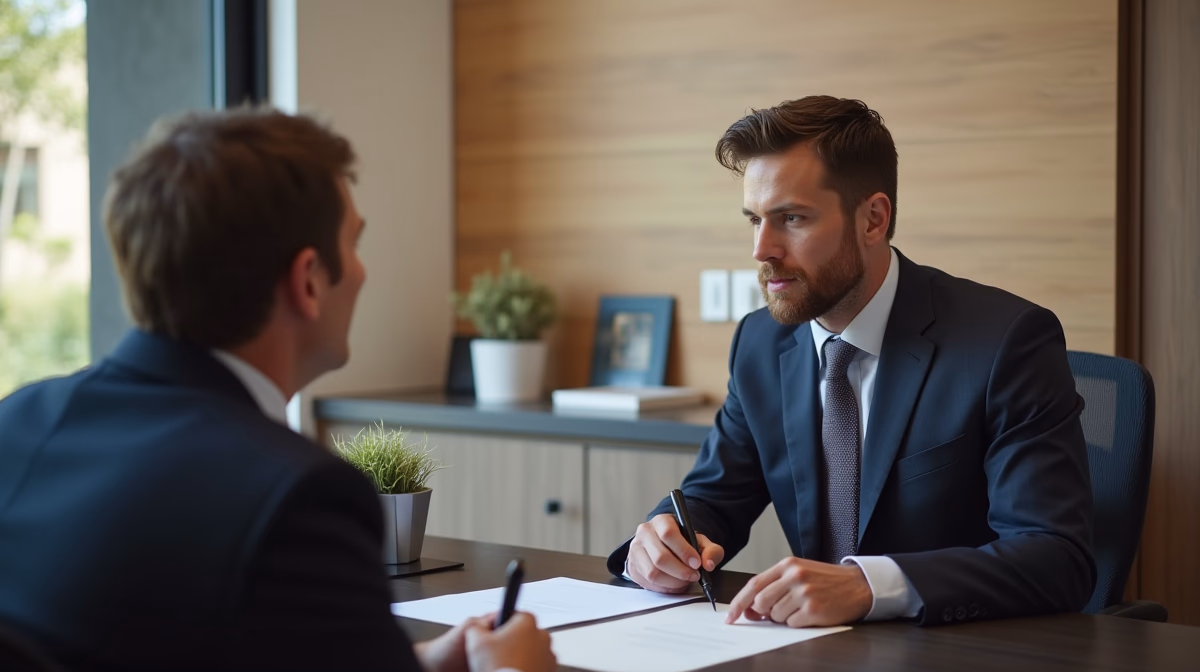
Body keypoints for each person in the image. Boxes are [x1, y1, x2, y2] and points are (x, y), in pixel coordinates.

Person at [0, 108, 556, 672]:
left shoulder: (17, 422)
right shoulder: (295, 496)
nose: (362, 272)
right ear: (308, 280)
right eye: (355, 243)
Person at [608, 96, 1096, 627]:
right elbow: (713, 497)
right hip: (809, 647)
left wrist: (870, 586)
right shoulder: (760, 342)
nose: (762, 249)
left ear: (873, 219)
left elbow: (1055, 557)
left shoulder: (1005, 341)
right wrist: (663, 541)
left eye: (791, 218)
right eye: (754, 220)